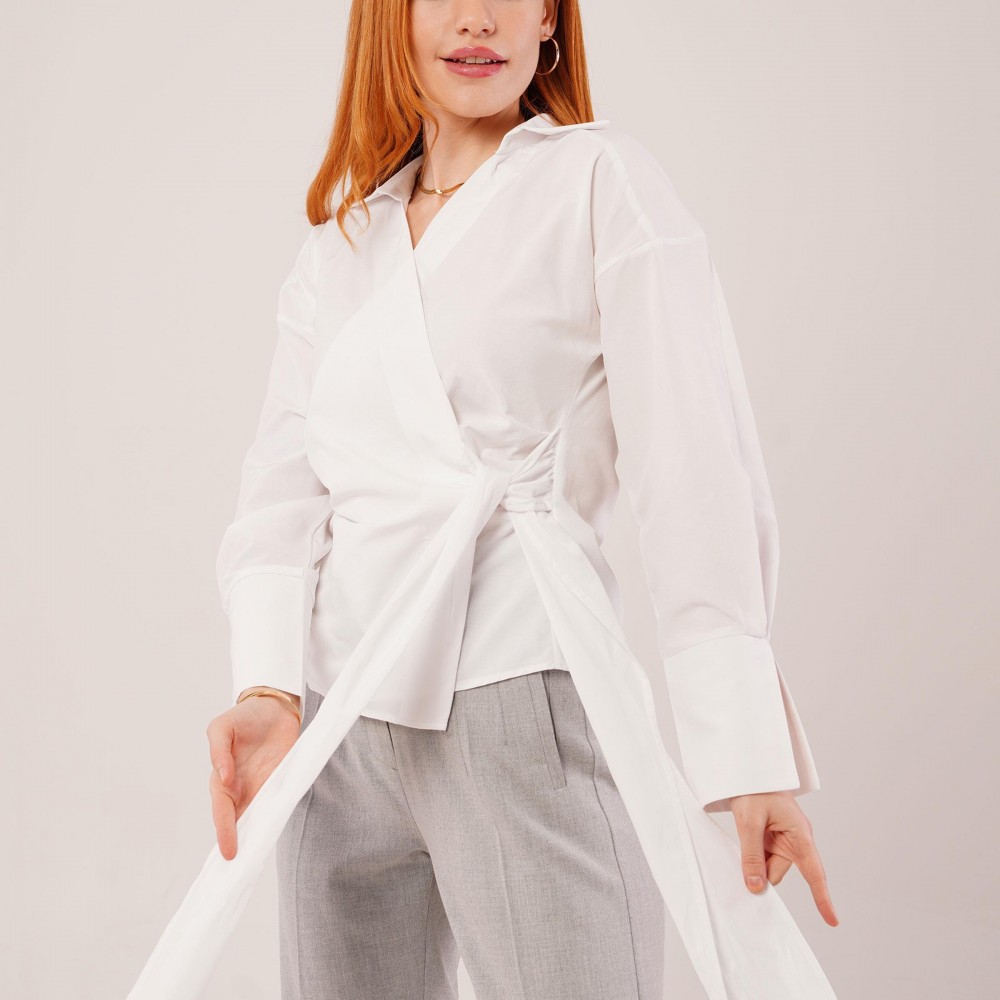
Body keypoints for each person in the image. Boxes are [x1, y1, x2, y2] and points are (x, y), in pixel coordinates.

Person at [126, 2, 840, 999]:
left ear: (549, 18)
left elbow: (695, 466)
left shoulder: (597, 180)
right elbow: (281, 491)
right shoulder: (342, 242)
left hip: (516, 691)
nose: (477, 19)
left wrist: (744, 759)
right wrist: (268, 690)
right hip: (336, 728)